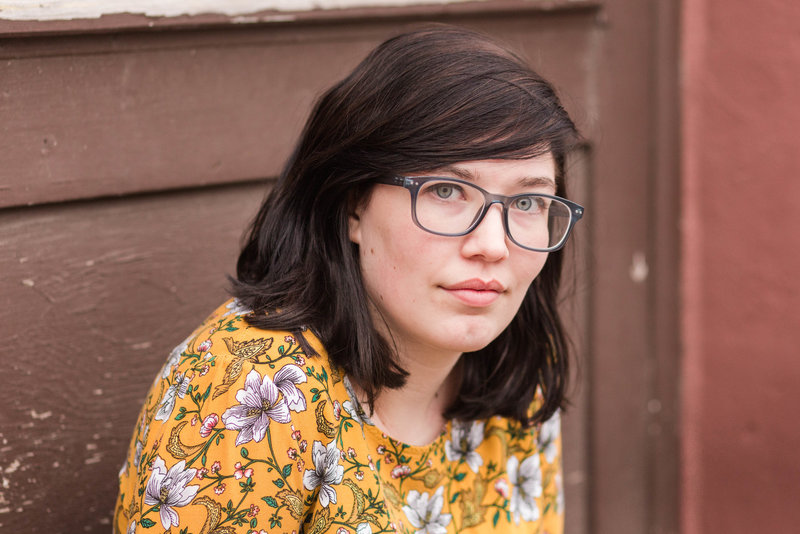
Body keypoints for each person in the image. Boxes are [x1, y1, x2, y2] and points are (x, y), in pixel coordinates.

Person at [114, 24, 583, 534]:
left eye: (528, 201)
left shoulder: (516, 375)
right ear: (352, 203)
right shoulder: (252, 392)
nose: (493, 244)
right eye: (446, 192)